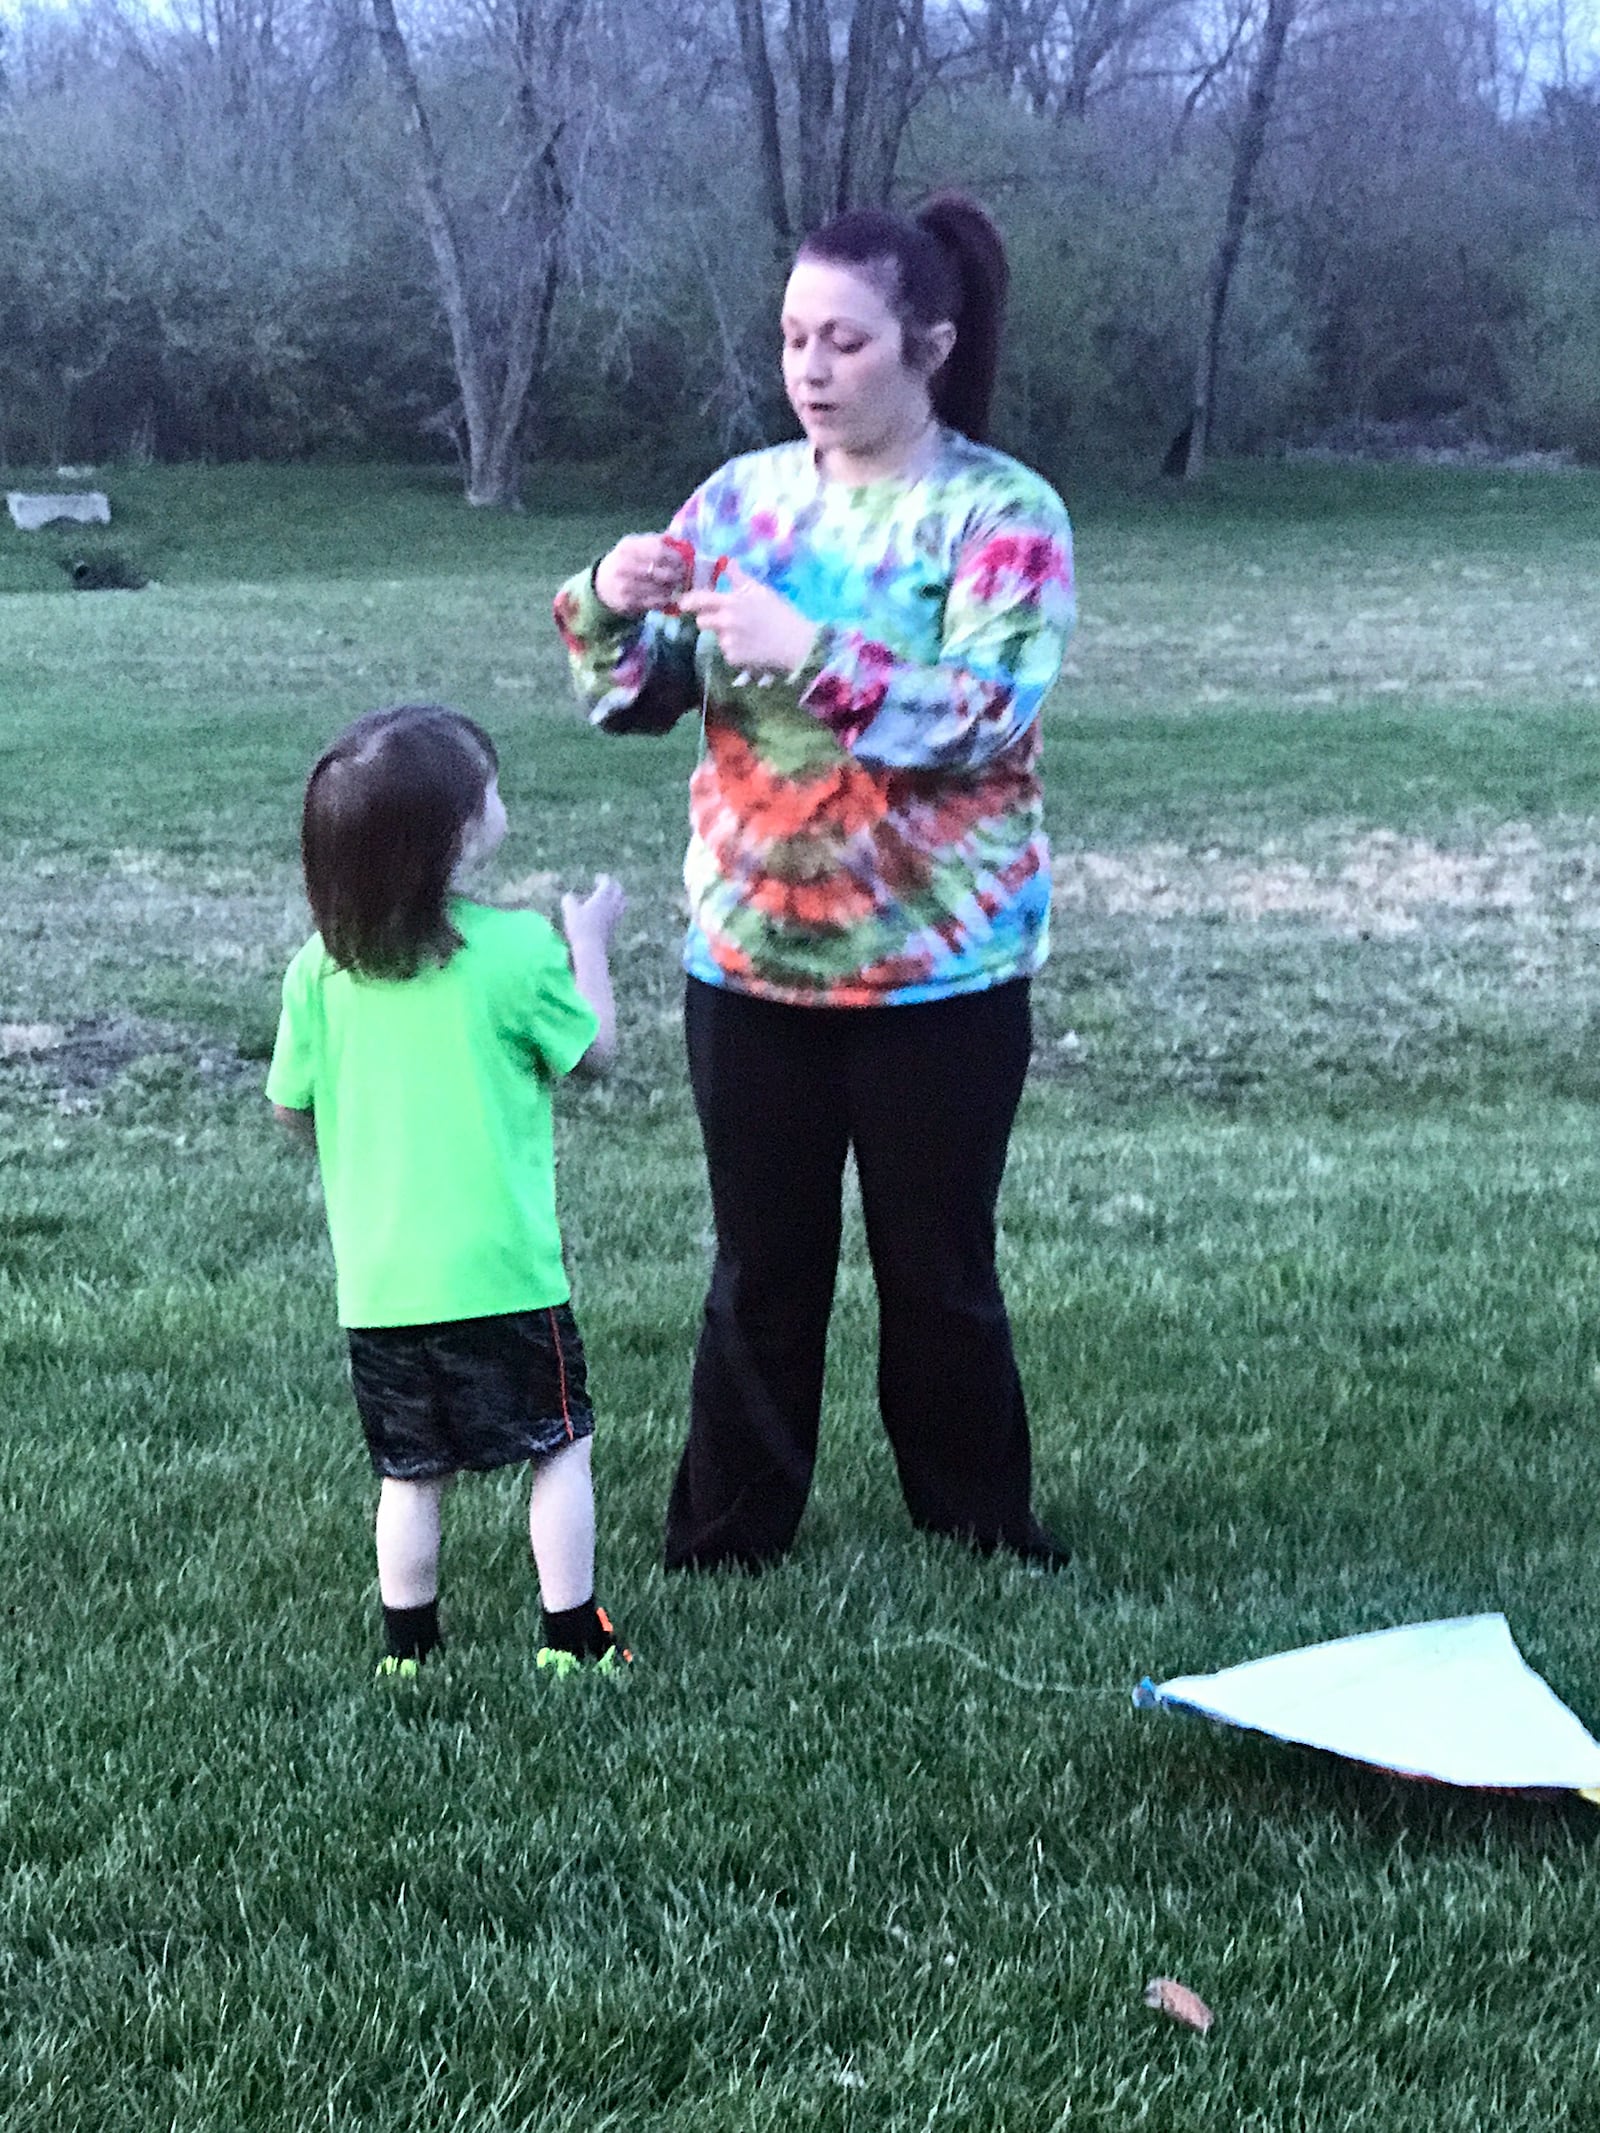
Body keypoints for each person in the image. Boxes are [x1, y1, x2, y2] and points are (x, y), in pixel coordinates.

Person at [553, 193, 1075, 1573]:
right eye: (794, 338)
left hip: (939, 973)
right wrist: (608, 595)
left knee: (940, 1274)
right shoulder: (737, 501)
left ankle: (977, 1524)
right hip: (752, 961)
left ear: (930, 346)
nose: (812, 367)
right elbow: (639, 696)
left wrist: (809, 649)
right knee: (760, 1275)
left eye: (845, 340)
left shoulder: (1001, 513)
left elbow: (985, 714)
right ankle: (727, 1538)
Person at [266, 703, 631, 1676]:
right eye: (490, 792)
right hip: (508, 1275)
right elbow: (595, 1053)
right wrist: (587, 940)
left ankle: (409, 1651)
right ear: (455, 837)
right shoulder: (510, 951)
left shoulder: (319, 972)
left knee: (410, 1474)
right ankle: (573, 1639)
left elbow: (292, 1109)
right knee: (558, 1447)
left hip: (383, 1287)